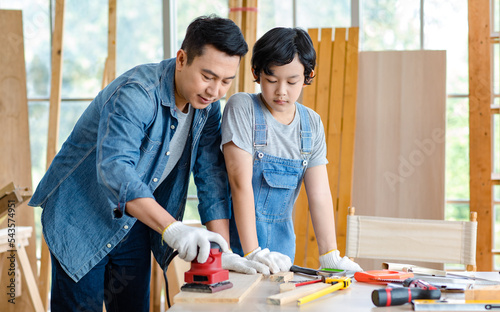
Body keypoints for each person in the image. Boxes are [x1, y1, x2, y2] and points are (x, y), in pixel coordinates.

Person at [29, 15, 264, 312]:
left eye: (226, 81)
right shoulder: (137, 93)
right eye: (208, 76)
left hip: (132, 223)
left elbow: (210, 177)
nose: (215, 90)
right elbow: (116, 170)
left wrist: (224, 251)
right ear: (182, 59)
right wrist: (173, 229)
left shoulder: (207, 108)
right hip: (80, 218)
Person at [221, 27, 363, 274]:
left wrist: (330, 255)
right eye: (272, 80)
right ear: (256, 73)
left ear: (308, 75)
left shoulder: (311, 123)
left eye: (292, 81)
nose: (281, 91)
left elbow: (319, 195)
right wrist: (252, 252)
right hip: (238, 252)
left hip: (282, 255)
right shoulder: (242, 108)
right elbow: (239, 183)